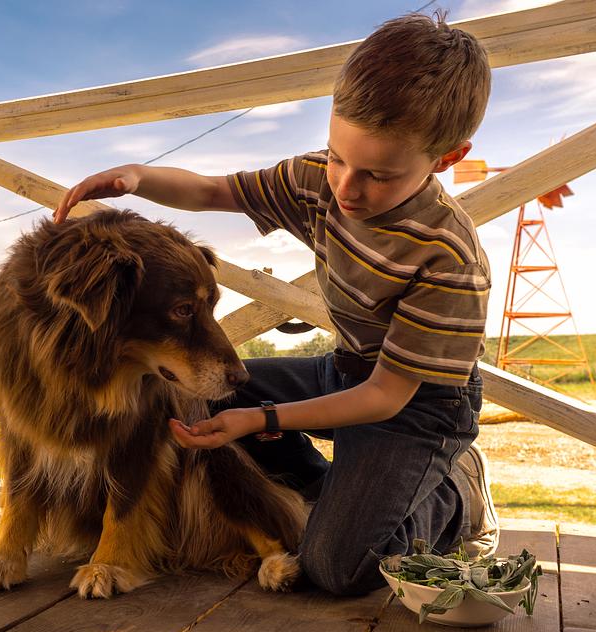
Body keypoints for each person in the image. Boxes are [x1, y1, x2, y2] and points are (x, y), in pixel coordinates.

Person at [52, 13, 496, 596]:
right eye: (338, 157)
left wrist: (263, 420)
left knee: (338, 568)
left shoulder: (449, 259)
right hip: (346, 369)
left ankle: (457, 493)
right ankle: (329, 485)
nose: (345, 189)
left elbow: (386, 397)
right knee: (204, 391)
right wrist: (138, 177)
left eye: (378, 176)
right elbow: (214, 192)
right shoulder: (317, 180)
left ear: (447, 157)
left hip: (419, 406)